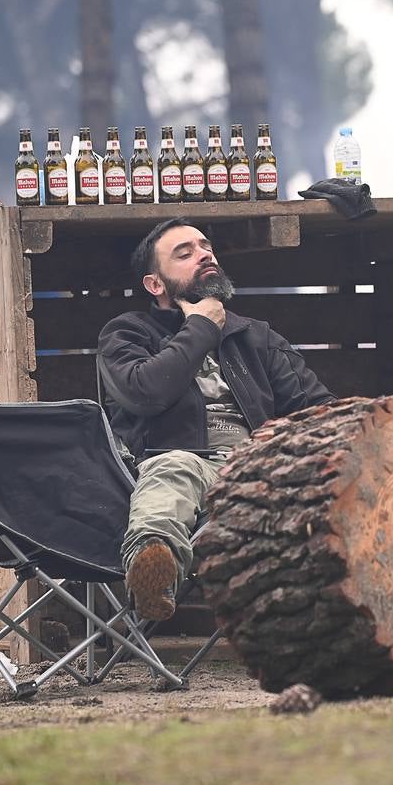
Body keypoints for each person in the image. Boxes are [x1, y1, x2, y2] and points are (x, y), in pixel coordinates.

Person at [97, 217, 335, 620]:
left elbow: (313, 407)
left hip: (258, 469)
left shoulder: (255, 336)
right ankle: (153, 567)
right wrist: (202, 326)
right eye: (184, 253)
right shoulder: (127, 333)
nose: (204, 254)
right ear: (155, 285)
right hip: (179, 463)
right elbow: (145, 391)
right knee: (176, 466)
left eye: (206, 247)